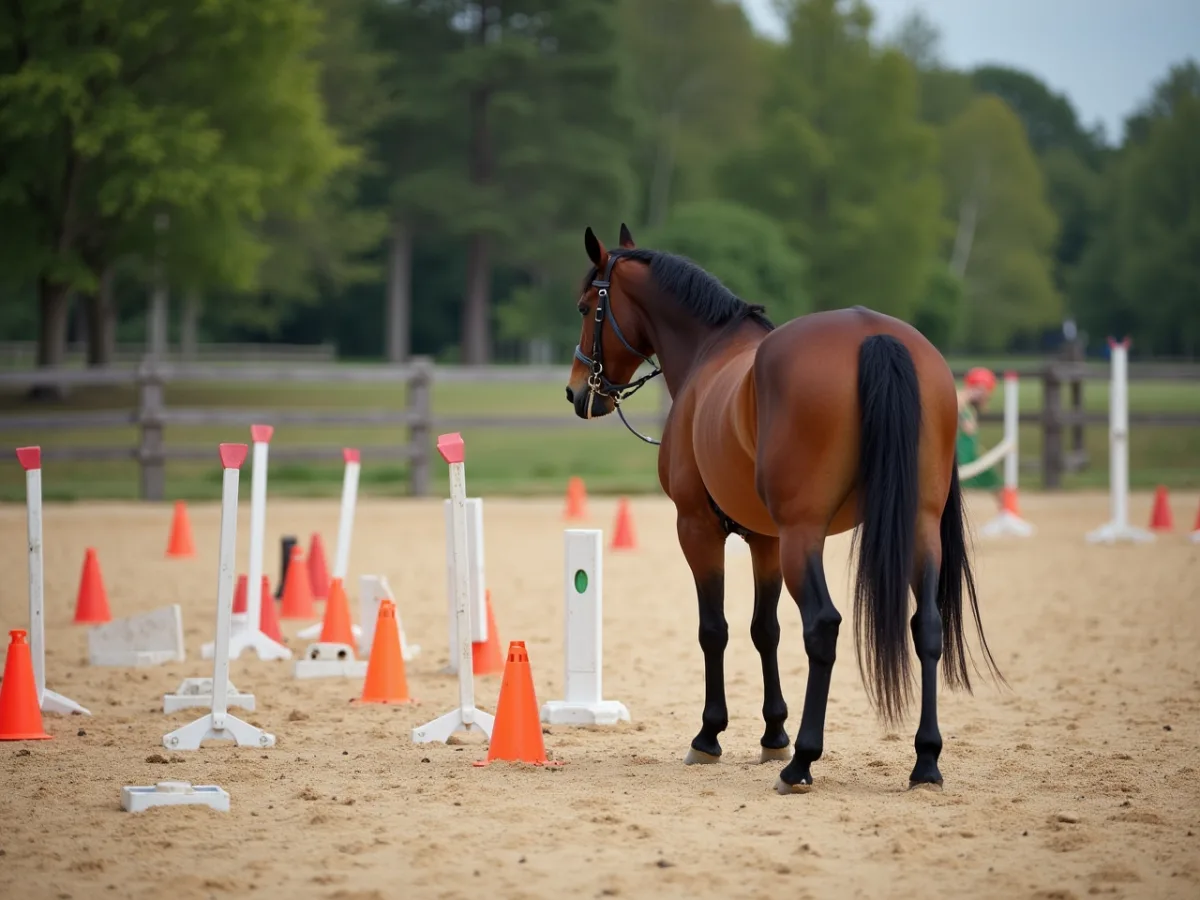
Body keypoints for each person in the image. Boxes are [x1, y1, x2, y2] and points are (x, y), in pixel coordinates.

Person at [956, 367, 1002, 492]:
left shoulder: (970, 407)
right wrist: (963, 420)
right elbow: (957, 404)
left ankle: (1007, 507)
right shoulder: (961, 397)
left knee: (993, 478)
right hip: (961, 455)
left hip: (968, 454)